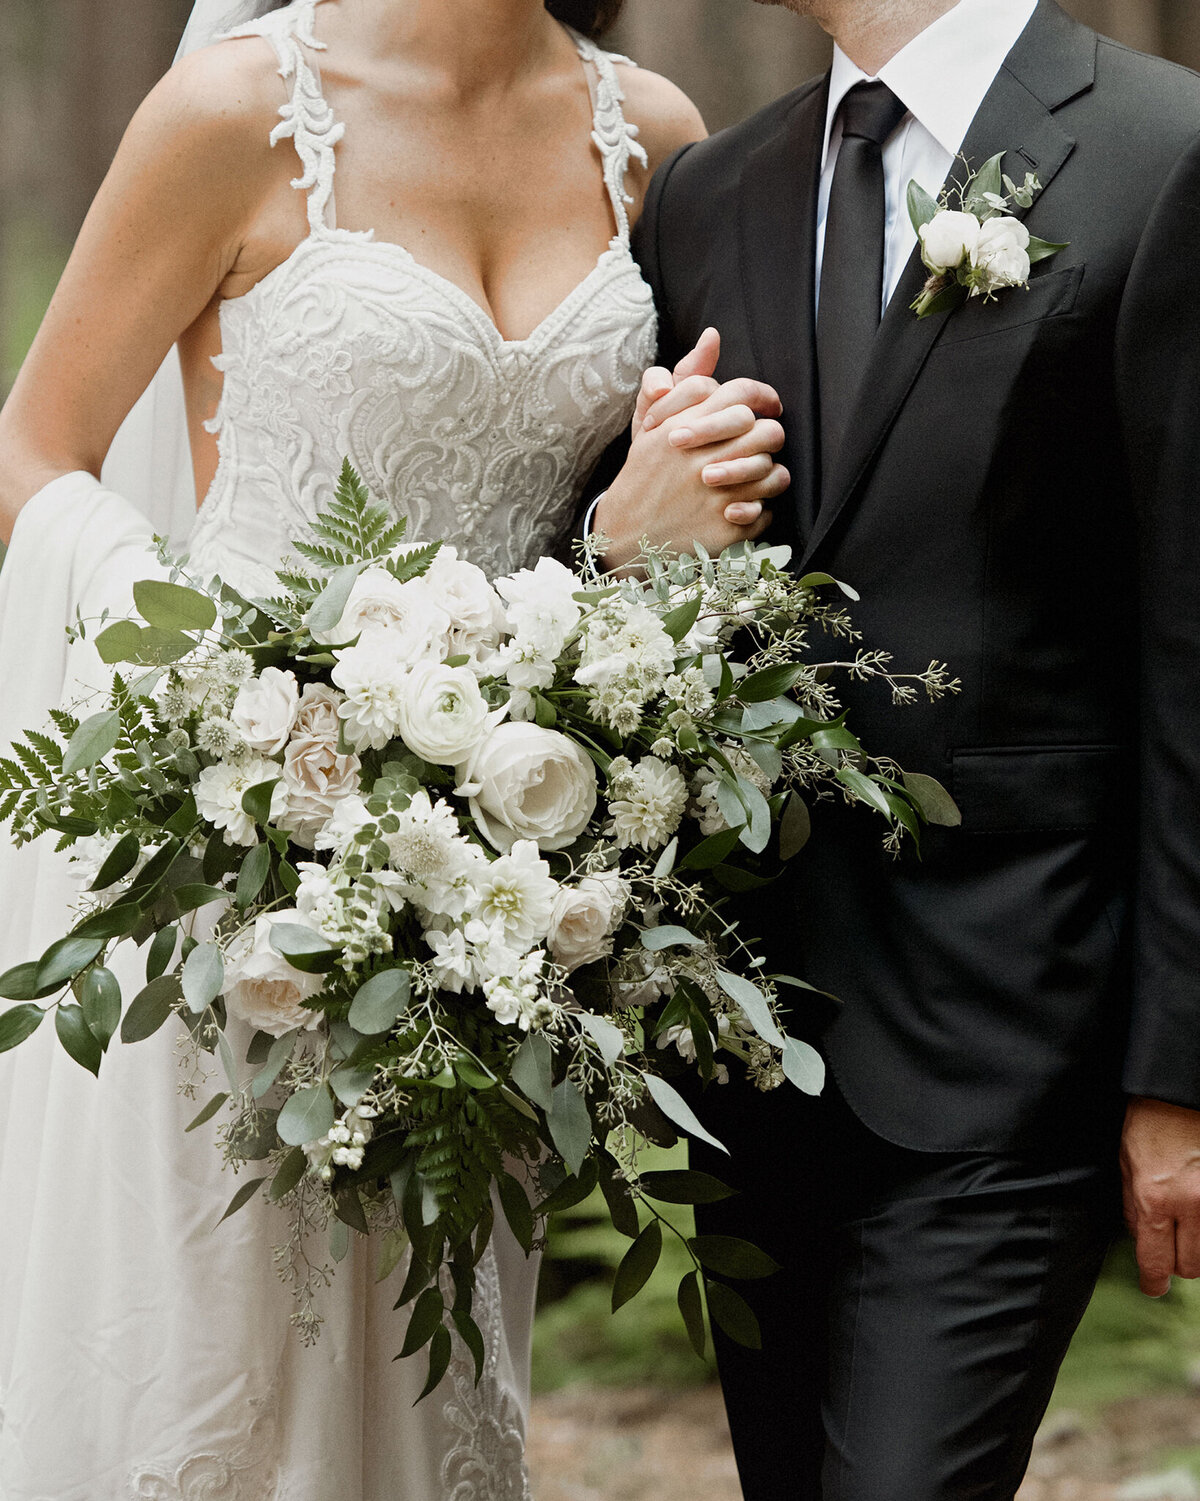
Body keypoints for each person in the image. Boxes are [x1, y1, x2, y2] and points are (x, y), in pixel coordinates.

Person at [0, 1, 791, 1495]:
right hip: (232, 867)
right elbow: (33, 446)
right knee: (210, 1369)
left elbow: (666, 505)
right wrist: (218, 694)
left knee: (424, 1378)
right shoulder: (232, 114)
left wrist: (648, 539)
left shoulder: (655, 139)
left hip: (484, 896)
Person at [593, 0, 1200, 1495]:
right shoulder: (710, 191)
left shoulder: (1162, 152)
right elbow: (636, 586)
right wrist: (623, 532)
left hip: (1020, 1027)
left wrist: (1179, 1068)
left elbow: (1194, 639)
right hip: (750, 1042)